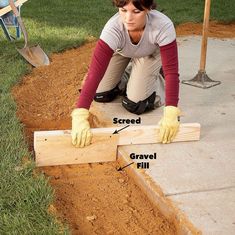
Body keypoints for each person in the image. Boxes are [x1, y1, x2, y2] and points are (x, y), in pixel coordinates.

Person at [71, 0, 180, 147]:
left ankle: (154, 77)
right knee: (100, 94)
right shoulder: (113, 28)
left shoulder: (162, 26)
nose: (128, 18)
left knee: (136, 104)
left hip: (150, 54)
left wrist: (171, 112)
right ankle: (130, 74)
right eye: (123, 10)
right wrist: (80, 115)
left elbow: (172, 72)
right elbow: (95, 73)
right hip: (121, 51)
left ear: (148, 9)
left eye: (136, 11)